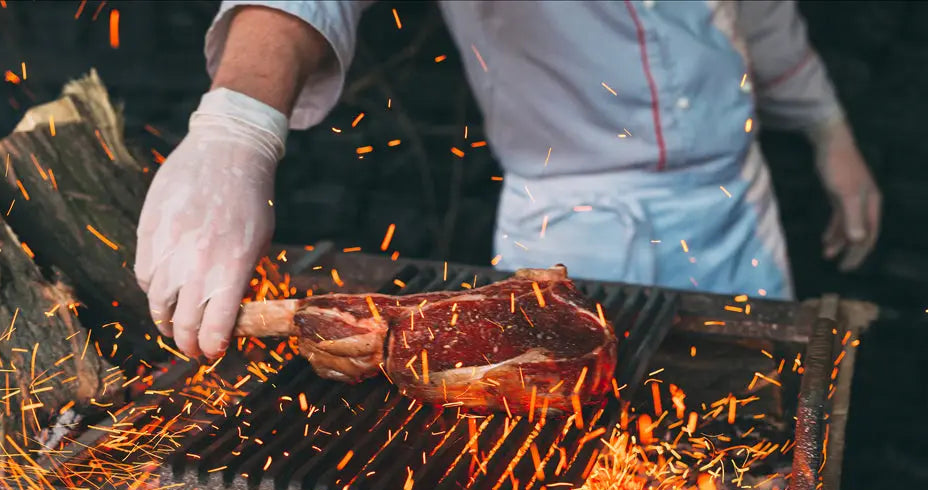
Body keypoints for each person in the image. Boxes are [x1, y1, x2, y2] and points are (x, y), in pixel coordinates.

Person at [135, 1, 881, 360]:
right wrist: (239, 123)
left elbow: (757, 12)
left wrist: (830, 130)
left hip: (734, 205)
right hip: (577, 221)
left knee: (748, 456)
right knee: (575, 477)